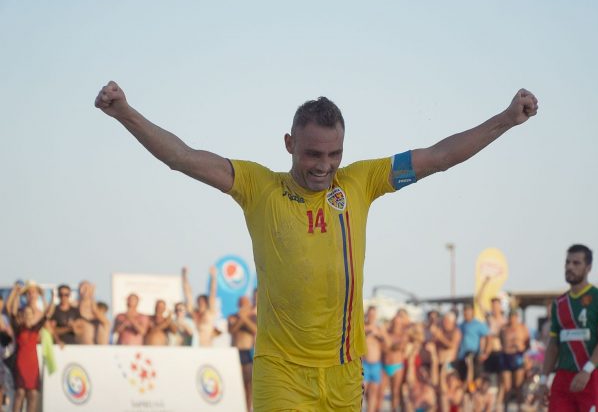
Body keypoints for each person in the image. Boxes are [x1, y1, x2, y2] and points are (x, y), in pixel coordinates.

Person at [95, 80, 538, 410]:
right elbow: (182, 157)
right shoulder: (257, 186)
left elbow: (438, 157)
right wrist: (125, 113)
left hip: (344, 373)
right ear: (289, 144)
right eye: (312, 154)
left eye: (334, 154)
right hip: (281, 372)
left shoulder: (362, 181)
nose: (324, 166)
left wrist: (505, 120)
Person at [539, 244, 598, 412]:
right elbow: (553, 345)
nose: (570, 267)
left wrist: (587, 371)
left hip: (592, 375)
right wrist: (543, 380)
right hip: (563, 378)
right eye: (567, 262)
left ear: (588, 267)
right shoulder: (559, 303)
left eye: (576, 263)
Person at [6, 282, 54, 412]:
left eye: (30, 314)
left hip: (33, 364)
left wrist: (48, 298)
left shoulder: (35, 329)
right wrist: (15, 294)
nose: (28, 316)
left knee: (32, 394)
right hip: (20, 363)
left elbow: (47, 314)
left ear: (33, 316)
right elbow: (10, 310)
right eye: (25, 314)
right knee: (20, 393)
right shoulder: (18, 328)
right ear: (22, 316)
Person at [228, 295, 257, 411]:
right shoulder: (232, 316)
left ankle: (248, 408)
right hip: (235, 352)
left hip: (247, 351)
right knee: (236, 382)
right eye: (241, 304)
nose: (243, 306)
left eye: (245, 304)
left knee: (248, 383)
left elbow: (255, 330)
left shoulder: (253, 317)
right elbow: (231, 330)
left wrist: (243, 318)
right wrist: (241, 319)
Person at [183, 266, 220, 347]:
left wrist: (213, 277)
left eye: (202, 301)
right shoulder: (193, 312)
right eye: (199, 301)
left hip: (207, 346)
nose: (200, 303)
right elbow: (188, 294)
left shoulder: (210, 312)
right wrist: (184, 276)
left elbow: (213, 292)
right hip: (194, 346)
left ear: (206, 302)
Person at [499, 310, 530, 408]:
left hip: (518, 356)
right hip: (506, 356)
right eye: (510, 317)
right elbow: (501, 342)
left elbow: (528, 344)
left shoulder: (522, 328)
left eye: (514, 317)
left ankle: (519, 407)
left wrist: (523, 353)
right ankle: (506, 408)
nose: (512, 319)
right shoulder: (504, 329)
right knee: (507, 387)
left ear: (517, 317)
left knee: (518, 386)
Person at [363, 306, 385, 412]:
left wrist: (379, 336)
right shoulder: (362, 327)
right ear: (367, 314)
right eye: (370, 314)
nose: (372, 316)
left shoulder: (379, 329)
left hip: (376, 365)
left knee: (373, 394)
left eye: (373, 314)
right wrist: (366, 334)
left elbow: (387, 345)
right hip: (364, 364)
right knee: (361, 392)